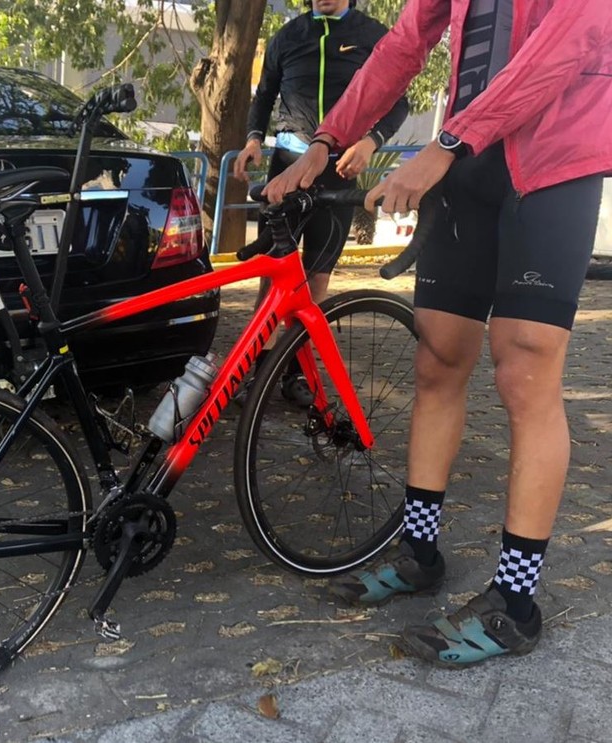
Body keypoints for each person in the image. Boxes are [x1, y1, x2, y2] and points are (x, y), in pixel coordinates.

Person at [264, 0, 612, 666]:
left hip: (553, 160)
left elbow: (568, 42)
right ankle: (419, 551)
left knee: (525, 370)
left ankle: (515, 602)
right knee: (437, 358)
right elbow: (402, 44)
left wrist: (447, 143)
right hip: (467, 167)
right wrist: (327, 139)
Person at [233, 0, 407, 404]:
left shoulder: (372, 35)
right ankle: (259, 371)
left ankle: (297, 372)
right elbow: (264, 94)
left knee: (316, 283)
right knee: (272, 277)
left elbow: (399, 101)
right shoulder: (288, 36)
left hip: (338, 171)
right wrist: (253, 140)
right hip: (287, 166)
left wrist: (371, 141)